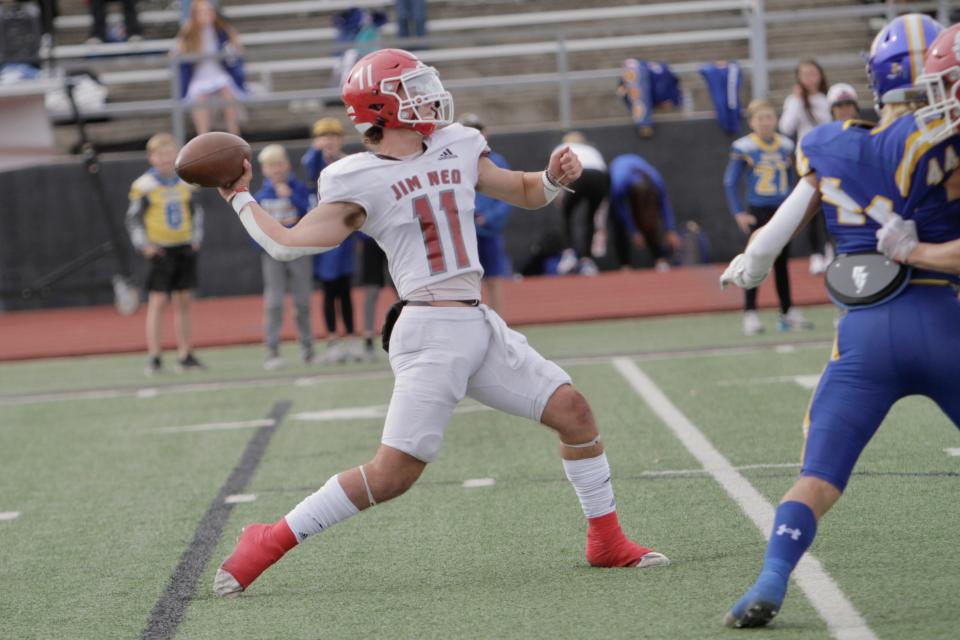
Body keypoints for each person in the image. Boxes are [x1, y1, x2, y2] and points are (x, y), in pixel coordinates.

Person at [210, 48, 670, 598]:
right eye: (412, 87)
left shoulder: (458, 141)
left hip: (477, 320)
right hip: (428, 329)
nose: (428, 94)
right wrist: (239, 197)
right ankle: (269, 539)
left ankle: (607, 541)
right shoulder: (353, 177)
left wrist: (551, 176)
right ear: (383, 106)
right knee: (393, 474)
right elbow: (287, 245)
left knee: (574, 412)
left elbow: (521, 190)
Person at [719, 14, 957, 629]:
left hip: (864, 335)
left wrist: (748, 268)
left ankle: (771, 576)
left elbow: (770, 245)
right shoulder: (944, 145)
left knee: (817, 479)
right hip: (943, 320)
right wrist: (920, 250)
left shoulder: (829, 144)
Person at [723, 98, 811, 335]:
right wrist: (739, 212)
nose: (765, 122)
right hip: (758, 210)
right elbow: (730, 181)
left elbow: (798, 178)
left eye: (769, 117)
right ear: (751, 122)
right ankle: (750, 312)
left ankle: (787, 310)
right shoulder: (744, 147)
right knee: (754, 260)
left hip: (781, 210)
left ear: (776, 119)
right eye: (760, 118)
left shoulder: (786, 145)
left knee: (782, 262)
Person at [125, 133, 206, 375]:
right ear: (151, 157)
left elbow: (196, 212)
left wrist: (195, 238)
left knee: (183, 301)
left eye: (170, 153)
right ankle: (155, 356)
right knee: (158, 302)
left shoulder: (186, 182)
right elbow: (133, 219)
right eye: (160, 154)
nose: (166, 159)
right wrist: (145, 245)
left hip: (183, 246)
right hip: (160, 249)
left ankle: (185, 353)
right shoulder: (144, 185)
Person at [301, 117, 362, 363]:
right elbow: (312, 167)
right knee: (328, 291)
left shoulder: (347, 162)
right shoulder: (313, 160)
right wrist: (318, 149)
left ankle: (351, 338)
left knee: (345, 290)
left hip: (345, 233)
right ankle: (333, 339)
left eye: (333, 136)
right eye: (323, 136)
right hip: (323, 234)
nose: (329, 141)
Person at [254, 144, 315, 370]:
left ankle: (307, 349)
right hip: (273, 256)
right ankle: (272, 350)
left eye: (279, 163)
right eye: (271, 165)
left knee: (302, 302)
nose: (276, 169)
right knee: (274, 302)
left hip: (299, 252)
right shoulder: (261, 196)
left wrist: (292, 197)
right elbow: (255, 228)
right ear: (264, 169)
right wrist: (267, 245)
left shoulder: (300, 189)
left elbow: (311, 216)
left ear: (287, 164)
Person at [779, 59, 832, 275]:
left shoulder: (827, 98)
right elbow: (785, 127)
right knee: (810, 209)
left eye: (813, 73)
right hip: (807, 161)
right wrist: (797, 101)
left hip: (830, 158)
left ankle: (830, 251)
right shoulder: (795, 101)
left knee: (831, 206)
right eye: (805, 74)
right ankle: (815, 254)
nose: (810, 77)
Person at [459, 113, 513, 311]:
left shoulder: (496, 161)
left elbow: (509, 196)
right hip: (462, 233)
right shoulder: (451, 161)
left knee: (494, 279)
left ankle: (498, 325)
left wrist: (489, 218)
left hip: (488, 232)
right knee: (465, 283)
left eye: (477, 130)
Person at [175, 0, 245, 136]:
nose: (206, 15)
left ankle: (235, 134)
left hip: (218, 73)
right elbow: (180, 56)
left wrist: (229, 51)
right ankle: (203, 136)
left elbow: (236, 51)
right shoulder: (188, 33)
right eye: (201, 12)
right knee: (199, 98)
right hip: (199, 76)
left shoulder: (222, 31)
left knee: (228, 93)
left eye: (208, 11)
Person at [607, 153, 681, 271]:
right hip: (617, 174)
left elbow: (665, 204)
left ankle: (660, 259)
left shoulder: (656, 180)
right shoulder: (618, 184)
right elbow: (619, 209)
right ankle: (625, 264)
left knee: (648, 219)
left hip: (641, 179)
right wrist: (633, 231)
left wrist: (670, 229)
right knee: (618, 223)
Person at [554, 131, 608, 276]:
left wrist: (559, 196)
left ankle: (568, 254)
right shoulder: (592, 150)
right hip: (600, 178)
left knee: (566, 214)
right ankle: (586, 261)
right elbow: (603, 171)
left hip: (579, 175)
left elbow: (555, 173)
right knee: (590, 218)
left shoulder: (562, 147)